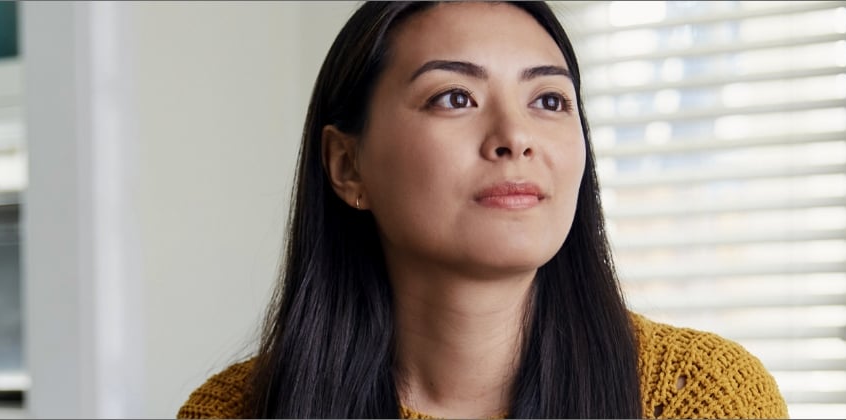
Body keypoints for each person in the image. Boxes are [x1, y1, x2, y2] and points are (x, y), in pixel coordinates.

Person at [176, 2, 787, 418]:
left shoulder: (700, 398)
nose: (515, 136)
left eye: (549, 99)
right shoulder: (233, 413)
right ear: (347, 165)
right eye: (455, 96)